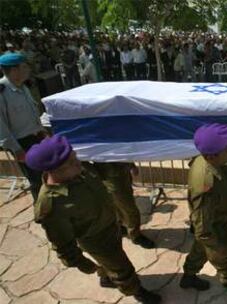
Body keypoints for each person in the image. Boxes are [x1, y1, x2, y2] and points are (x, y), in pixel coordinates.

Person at [26, 135, 161, 304]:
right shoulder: (51, 206)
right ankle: (136, 290)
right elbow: (62, 244)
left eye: (74, 157)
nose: (78, 162)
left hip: (110, 225)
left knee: (111, 263)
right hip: (97, 239)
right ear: (55, 170)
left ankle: (105, 277)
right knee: (122, 269)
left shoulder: (80, 170)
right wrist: (83, 264)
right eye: (71, 162)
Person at [180, 123, 227, 291]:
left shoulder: (208, 160)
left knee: (200, 249)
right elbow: (203, 228)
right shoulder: (206, 184)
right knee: (224, 256)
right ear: (212, 157)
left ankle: (188, 275)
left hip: (219, 217)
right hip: (212, 228)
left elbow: (226, 178)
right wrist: (217, 246)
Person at [0, 52, 47, 201]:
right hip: (23, 143)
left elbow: (32, 113)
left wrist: (42, 131)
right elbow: (1, 126)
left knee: (46, 175)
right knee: (37, 181)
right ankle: (43, 213)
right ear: (14, 70)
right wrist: (16, 149)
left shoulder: (22, 87)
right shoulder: (2, 92)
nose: (28, 70)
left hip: (37, 137)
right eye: (25, 66)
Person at [89, 162, 155, 248]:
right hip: (111, 179)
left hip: (122, 173)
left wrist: (131, 165)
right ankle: (135, 236)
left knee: (121, 206)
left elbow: (122, 151)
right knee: (130, 210)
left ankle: (122, 227)